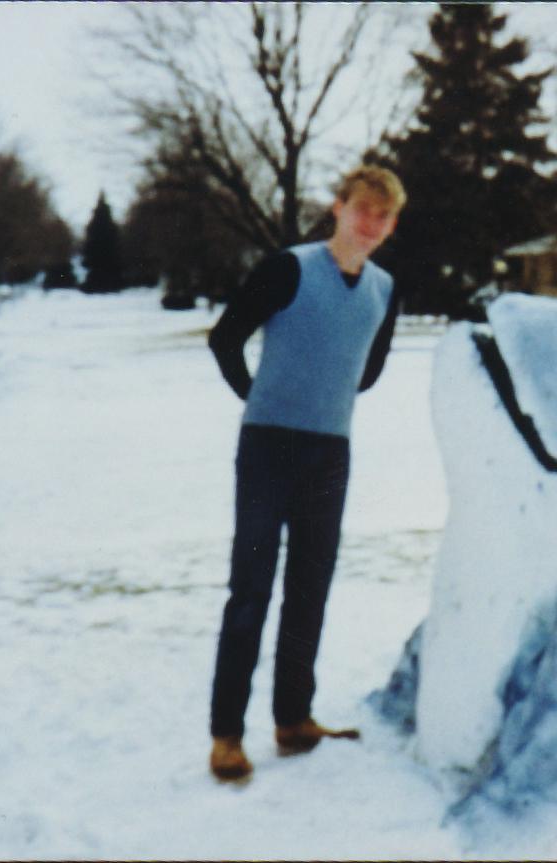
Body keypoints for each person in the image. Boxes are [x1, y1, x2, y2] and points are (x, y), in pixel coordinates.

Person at [205, 165, 407, 782]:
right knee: (252, 588)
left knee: (310, 587)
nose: (371, 224)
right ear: (338, 207)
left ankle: (293, 718)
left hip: (329, 453)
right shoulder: (288, 268)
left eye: (384, 216)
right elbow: (225, 339)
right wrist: (260, 398)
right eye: (363, 209)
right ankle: (226, 735)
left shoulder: (384, 289)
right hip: (267, 450)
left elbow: (367, 370)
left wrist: (324, 398)